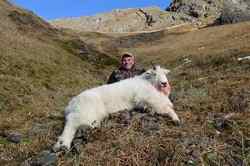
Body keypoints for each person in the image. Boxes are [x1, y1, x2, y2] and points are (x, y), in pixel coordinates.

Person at [107, 52, 171, 97]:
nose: (127, 62)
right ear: (121, 62)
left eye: (129, 60)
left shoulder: (141, 72)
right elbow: (109, 88)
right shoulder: (115, 73)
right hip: (123, 99)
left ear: (133, 61)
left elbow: (152, 83)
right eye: (124, 60)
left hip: (140, 98)